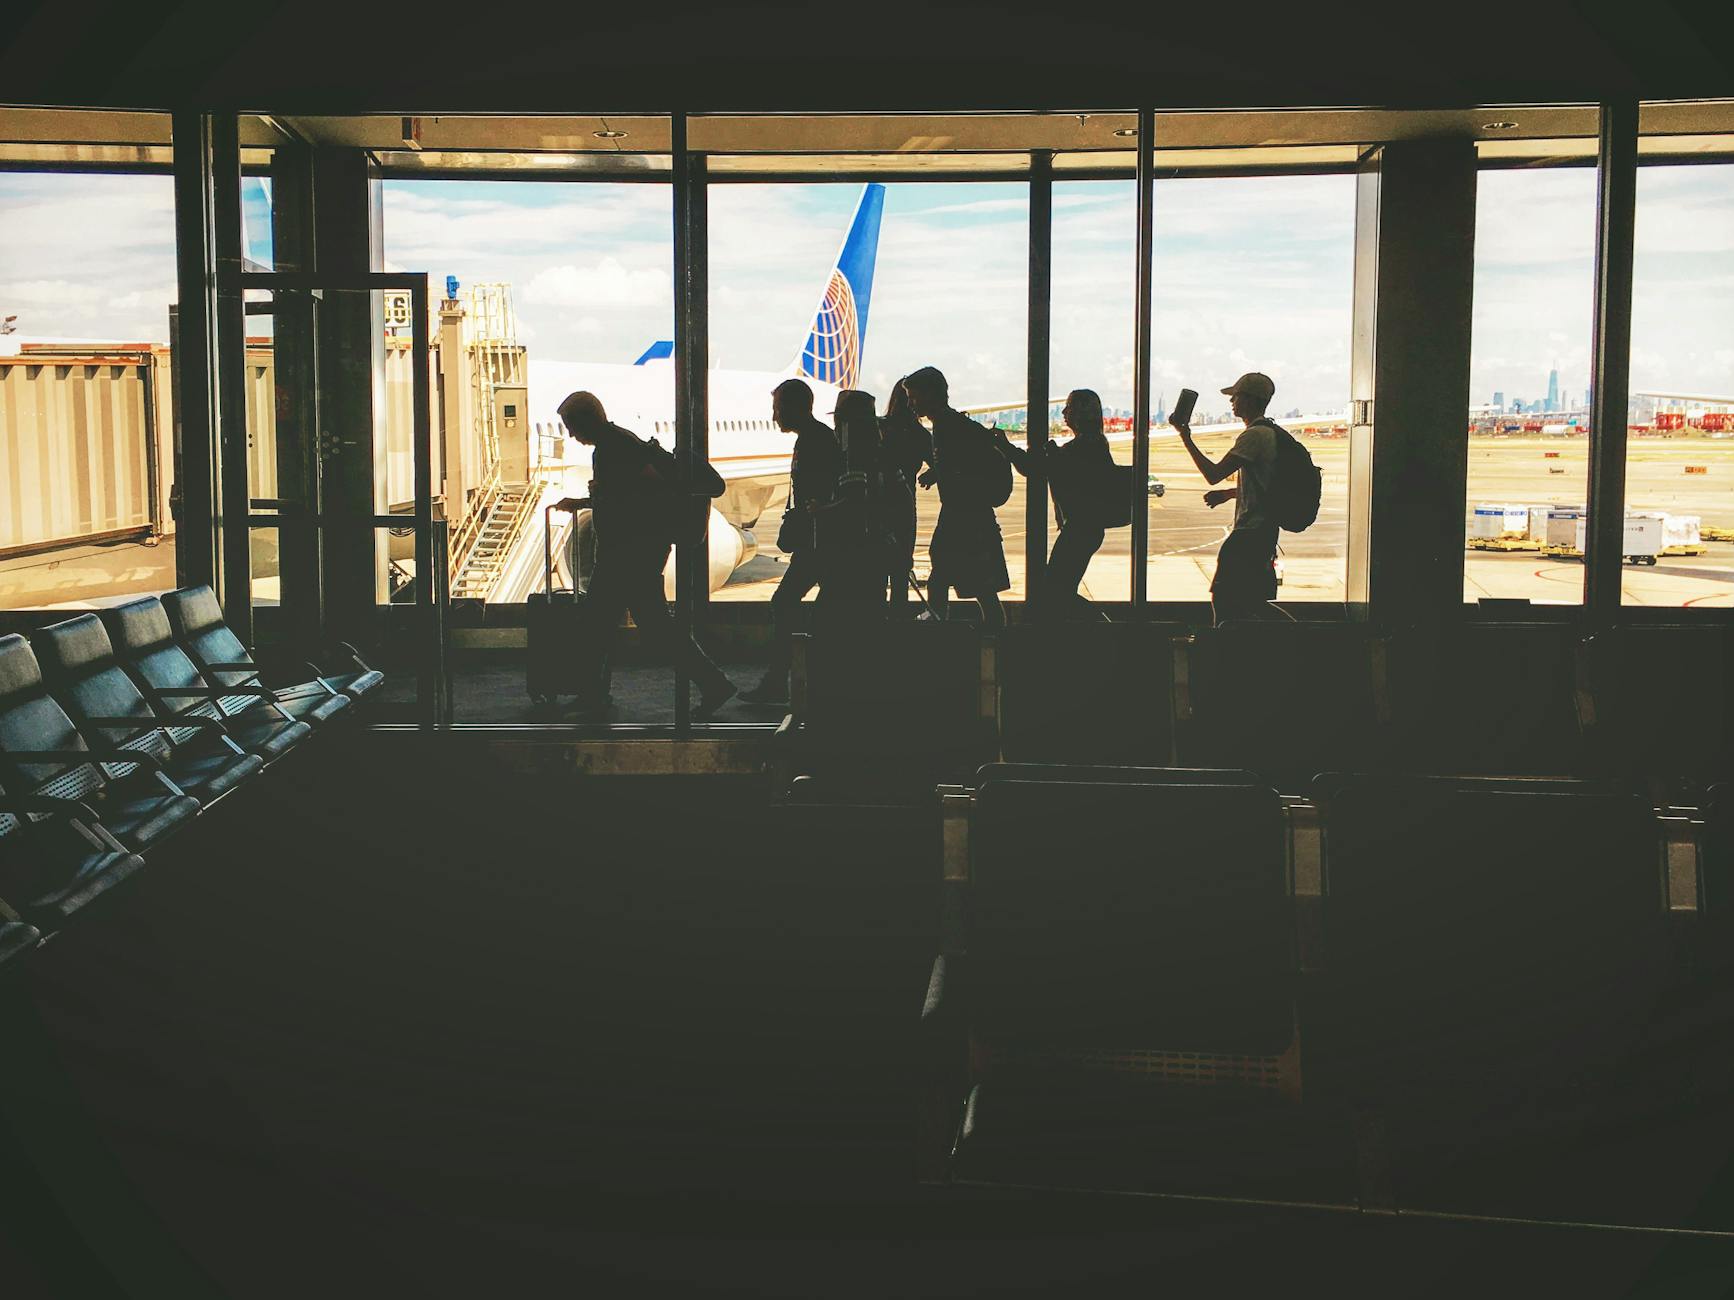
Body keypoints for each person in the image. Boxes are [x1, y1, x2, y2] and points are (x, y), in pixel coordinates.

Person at [555, 391, 737, 720]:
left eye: (572, 426)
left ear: (587, 420)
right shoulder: (618, 444)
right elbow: (625, 495)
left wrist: (598, 504)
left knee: (609, 625)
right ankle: (711, 683)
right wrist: (584, 502)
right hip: (632, 553)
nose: (571, 434)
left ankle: (711, 683)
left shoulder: (615, 448)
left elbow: (635, 499)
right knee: (624, 626)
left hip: (628, 555)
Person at [739, 378, 843, 704]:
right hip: (815, 542)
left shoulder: (818, 442)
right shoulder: (812, 439)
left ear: (796, 408)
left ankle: (785, 682)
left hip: (821, 543)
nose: (775, 417)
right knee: (808, 609)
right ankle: (800, 680)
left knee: (786, 604)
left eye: (778, 409)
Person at [904, 366, 1009, 632]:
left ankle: (943, 627)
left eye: (914, 397)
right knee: (963, 578)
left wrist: (942, 474)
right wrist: (937, 473)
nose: (910, 403)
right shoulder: (949, 425)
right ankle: (954, 627)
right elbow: (962, 462)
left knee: (961, 579)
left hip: (965, 515)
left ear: (930, 395)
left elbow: (963, 463)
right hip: (961, 512)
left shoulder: (949, 427)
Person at [1172, 371, 1282, 625]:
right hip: (1263, 533)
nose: (1231, 402)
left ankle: (1225, 652)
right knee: (1252, 603)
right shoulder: (1269, 432)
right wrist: (1229, 494)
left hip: (1249, 535)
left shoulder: (1254, 435)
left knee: (1223, 598)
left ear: (1250, 399)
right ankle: (1298, 637)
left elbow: (1213, 474)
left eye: (1235, 396)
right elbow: (1262, 485)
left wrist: (1185, 436)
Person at [995, 388, 1116, 615]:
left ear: (1080, 413)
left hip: (1081, 528)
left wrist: (1006, 447)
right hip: (1085, 528)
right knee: (1060, 589)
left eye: (1069, 407)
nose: (1064, 412)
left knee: (1055, 591)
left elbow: (1032, 468)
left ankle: (1101, 626)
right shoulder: (1095, 443)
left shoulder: (1082, 446)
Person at [819, 389, 893, 621]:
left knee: (834, 616)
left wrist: (819, 510)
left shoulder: (852, 455)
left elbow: (854, 501)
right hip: (879, 547)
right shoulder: (882, 454)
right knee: (872, 614)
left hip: (853, 551)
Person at [877, 378, 931, 614]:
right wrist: (932, 475)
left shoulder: (880, 428)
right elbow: (941, 463)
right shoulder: (918, 433)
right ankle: (898, 621)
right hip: (905, 506)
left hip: (876, 506)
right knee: (900, 572)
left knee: (877, 572)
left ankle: (878, 621)